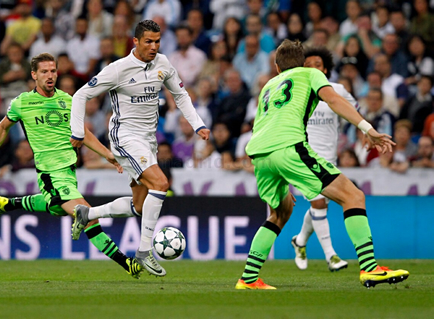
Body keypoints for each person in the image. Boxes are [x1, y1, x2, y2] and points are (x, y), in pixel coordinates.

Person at [235, 39, 409, 290]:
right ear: (304, 63)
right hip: (289, 147)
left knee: (279, 213)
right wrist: (367, 128)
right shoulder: (311, 74)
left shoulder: (268, 86)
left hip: (260, 154)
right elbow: (335, 100)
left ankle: (248, 279)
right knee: (354, 196)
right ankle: (370, 268)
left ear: (276, 67)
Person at [0, 53, 142, 279]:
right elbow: (2, 128)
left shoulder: (68, 100)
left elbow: (83, 134)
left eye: (53, 71)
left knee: (55, 207)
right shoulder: (22, 103)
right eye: (44, 72)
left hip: (69, 172)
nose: (50, 76)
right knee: (87, 215)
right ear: (34, 75)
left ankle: (9, 204)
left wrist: (107, 154)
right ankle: (127, 263)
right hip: (50, 173)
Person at [70, 20, 210, 277]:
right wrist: (77, 131)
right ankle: (144, 253)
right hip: (124, 137)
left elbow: (180, 94)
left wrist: (198, 124)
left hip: (148, 140)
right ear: (135, 41)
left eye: (157, 41)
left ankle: (87, 213)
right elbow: (80, 96)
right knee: (161, 184)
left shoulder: (164, 64)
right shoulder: (118, 69)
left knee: (140, 205)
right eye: (148, 41)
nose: (154, 47)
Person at [291, 47, 357, 272]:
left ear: (326, 69)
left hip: (330, 159)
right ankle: (332, 257)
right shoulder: (297, 92)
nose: (312, 69)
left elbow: (353, 110)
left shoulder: (337, 90)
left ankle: (300, 241)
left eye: (317, 65)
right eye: (307, 66)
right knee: (318, 204)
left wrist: (365, 131)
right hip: (305, 158)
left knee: (320, 206)